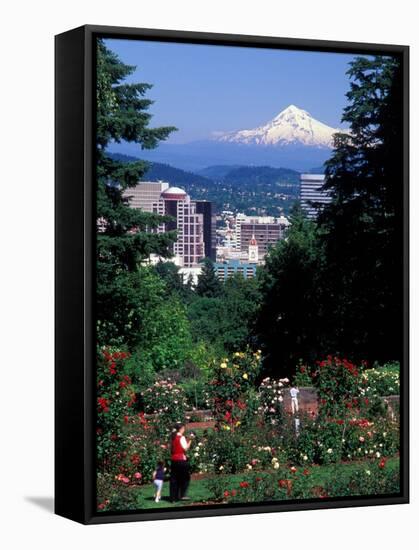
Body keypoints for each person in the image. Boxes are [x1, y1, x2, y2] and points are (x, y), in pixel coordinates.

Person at [170, 423, 192, 502]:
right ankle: (182, 495)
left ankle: (173, 498)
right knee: (185, 478)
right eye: (183, 428)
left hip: (173, 460)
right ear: (181, 429)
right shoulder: (181, 437)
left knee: (174, 479)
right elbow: (185, 449)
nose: (184, 430)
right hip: (181, 460)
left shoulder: (173, 437)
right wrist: (190, 441)